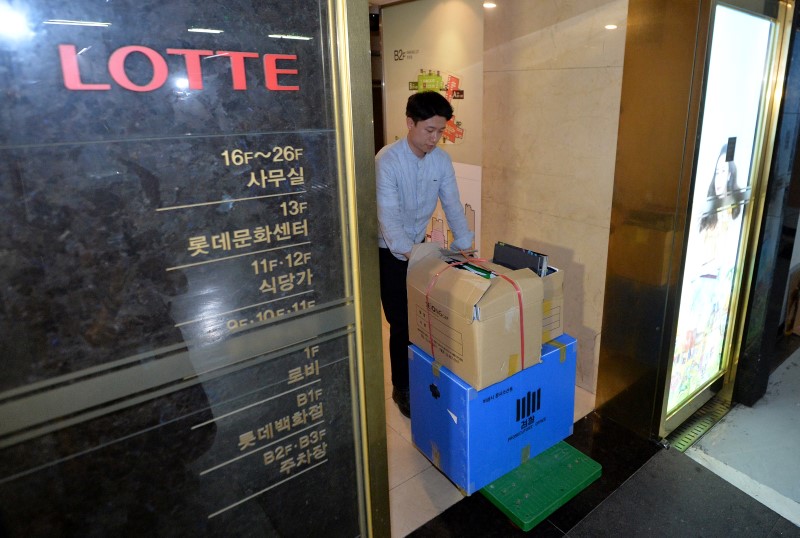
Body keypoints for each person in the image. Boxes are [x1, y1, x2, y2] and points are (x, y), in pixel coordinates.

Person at [375, 91, 474, 418]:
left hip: (417, 248)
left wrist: (465, 244)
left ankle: (421, 378)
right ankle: (400, 387)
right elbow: (390, 226)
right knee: (400, 322)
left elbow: (452, 205)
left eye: (440, 132)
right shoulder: (387, 161)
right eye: (429, 130)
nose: (434, 138)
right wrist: (423, 255)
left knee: (422, 318)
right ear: (410, 123)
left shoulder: (441, 160)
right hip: (388, 252)